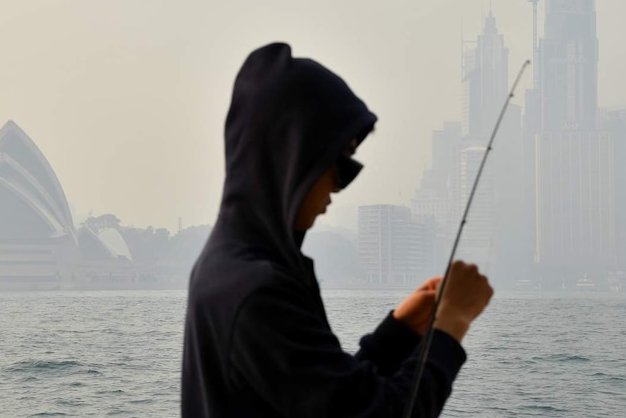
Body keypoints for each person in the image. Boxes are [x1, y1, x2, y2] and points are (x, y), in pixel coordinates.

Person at [181, 43, 494, 417]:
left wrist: (399, 332)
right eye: (340, 161)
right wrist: (451, 325)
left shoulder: (232, 267)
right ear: (294, 158)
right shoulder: (257, 291)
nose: (340, 183)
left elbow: (332, 400)